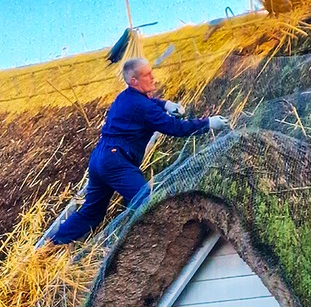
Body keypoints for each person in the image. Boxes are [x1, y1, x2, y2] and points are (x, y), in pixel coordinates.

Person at [45, 57, 229, 245]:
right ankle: (149, 245)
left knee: (91, 212)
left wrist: (166, 104)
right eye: (147, 75)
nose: (153, 77)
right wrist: (208, 123)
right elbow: (175, 128)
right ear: (134, 81)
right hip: (117, 162)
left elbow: (146, 104)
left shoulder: (124, 97)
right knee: (147, 203)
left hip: (100, 158)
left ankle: (51, 245)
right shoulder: (142, 107)